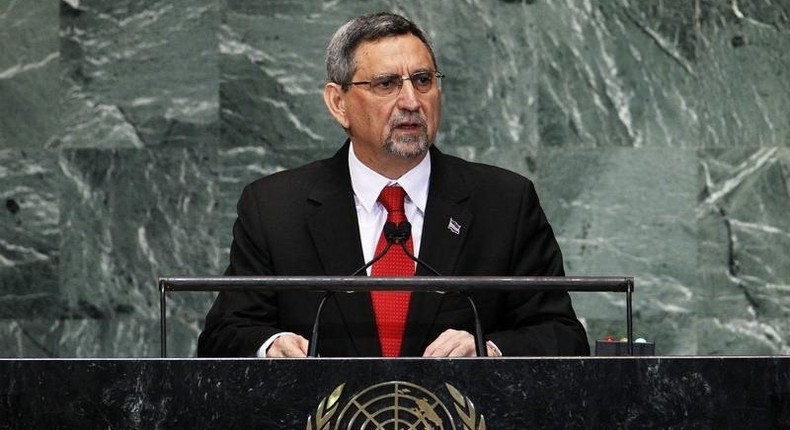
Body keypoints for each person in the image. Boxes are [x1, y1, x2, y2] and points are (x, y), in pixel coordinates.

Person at [198, 12, 589, 358]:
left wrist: (490, 349)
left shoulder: (504, 202)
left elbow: (562, 335)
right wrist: (271, 346)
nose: (411, 101)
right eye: (386, 84)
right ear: (338, 103)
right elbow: (224, 334)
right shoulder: (274, 208)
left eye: (422, 80)